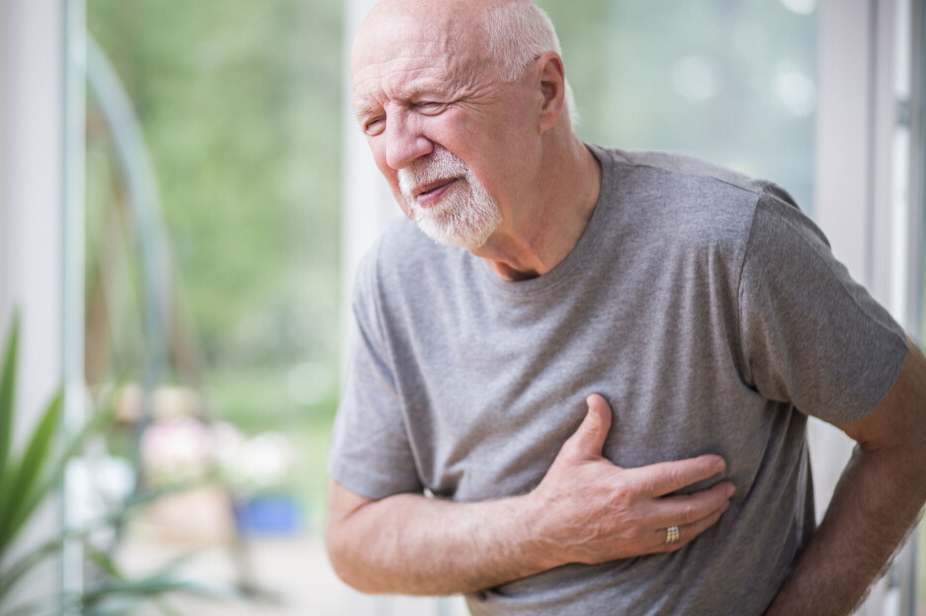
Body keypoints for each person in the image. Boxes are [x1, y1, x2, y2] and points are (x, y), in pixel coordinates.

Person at [325, 0, 926, 614]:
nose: (399, 151)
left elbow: (913, 425)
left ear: (545, 92)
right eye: (373, 121)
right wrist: (543, 528)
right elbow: (355, 538)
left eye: (428, 103)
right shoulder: (394, 278)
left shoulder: (730, 240)